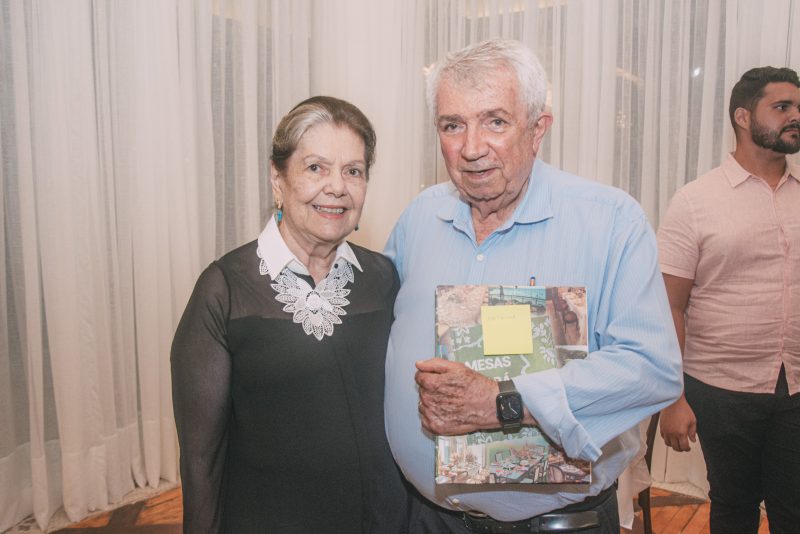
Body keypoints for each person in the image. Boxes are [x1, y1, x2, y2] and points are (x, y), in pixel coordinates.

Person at [384, 38, 683, 534]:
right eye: (452, 125)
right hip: (424, 517)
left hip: (555, 524)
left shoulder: (610, 223)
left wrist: (503, 400)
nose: (471, 147)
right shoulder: (419, 218)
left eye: (495, 121)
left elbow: (653, 368)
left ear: (538, 128)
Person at [171, 96, 408, 533]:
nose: (337, 186)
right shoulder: (225, 290)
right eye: (316, 167)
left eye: (353, 171)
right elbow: (201, 459)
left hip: (382, 519)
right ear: (277, 179)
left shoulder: (384, 279)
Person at [657, 66, 800, 534]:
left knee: (793, 510)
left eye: (797, 108)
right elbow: (668, 306)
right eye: (782, 107)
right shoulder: (695, 201)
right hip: (719, 387)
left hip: (796, 384)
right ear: (743, 116)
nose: (795, 116)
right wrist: (672, 398)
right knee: (733, 508)